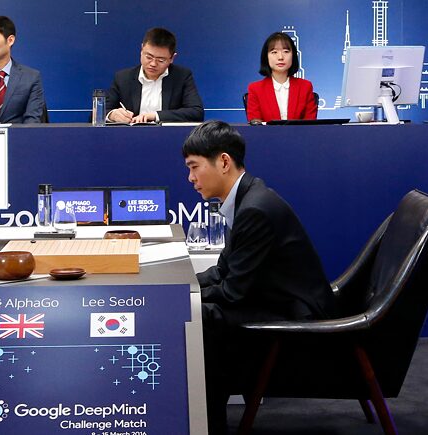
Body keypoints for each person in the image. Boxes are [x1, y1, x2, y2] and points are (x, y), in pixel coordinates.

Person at [181, 120, 334, 434]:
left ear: (223, 162)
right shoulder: (248, 197)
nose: (191, 179)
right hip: (274, 298)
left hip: (297, 315)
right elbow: (224, 270)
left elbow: (234, 291)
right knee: (201, 308)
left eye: (195, 167)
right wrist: (188, 284)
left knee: (204, 316)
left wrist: (186, 298)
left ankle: (210, 423)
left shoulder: (255, 209)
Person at [105, 27, 204, 124]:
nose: (153, 64)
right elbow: (97, 114)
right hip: (130, 137)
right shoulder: (123, 78)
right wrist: (112, 115)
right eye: (148, 57)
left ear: (172, 58)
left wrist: (155, 115)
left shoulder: (182, 76)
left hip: (168, 136)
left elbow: (196, 112)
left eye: (161, 60)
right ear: (141, 49)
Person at [245, 32, 318, 123]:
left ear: (293, 55)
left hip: (300, 137)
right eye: (274, 52)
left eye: (286, 51)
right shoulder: (255, 89)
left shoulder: (305, 86)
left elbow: (311, 125)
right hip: (267, 136)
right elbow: (255, 125)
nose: (280, 57)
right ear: (266, 57)